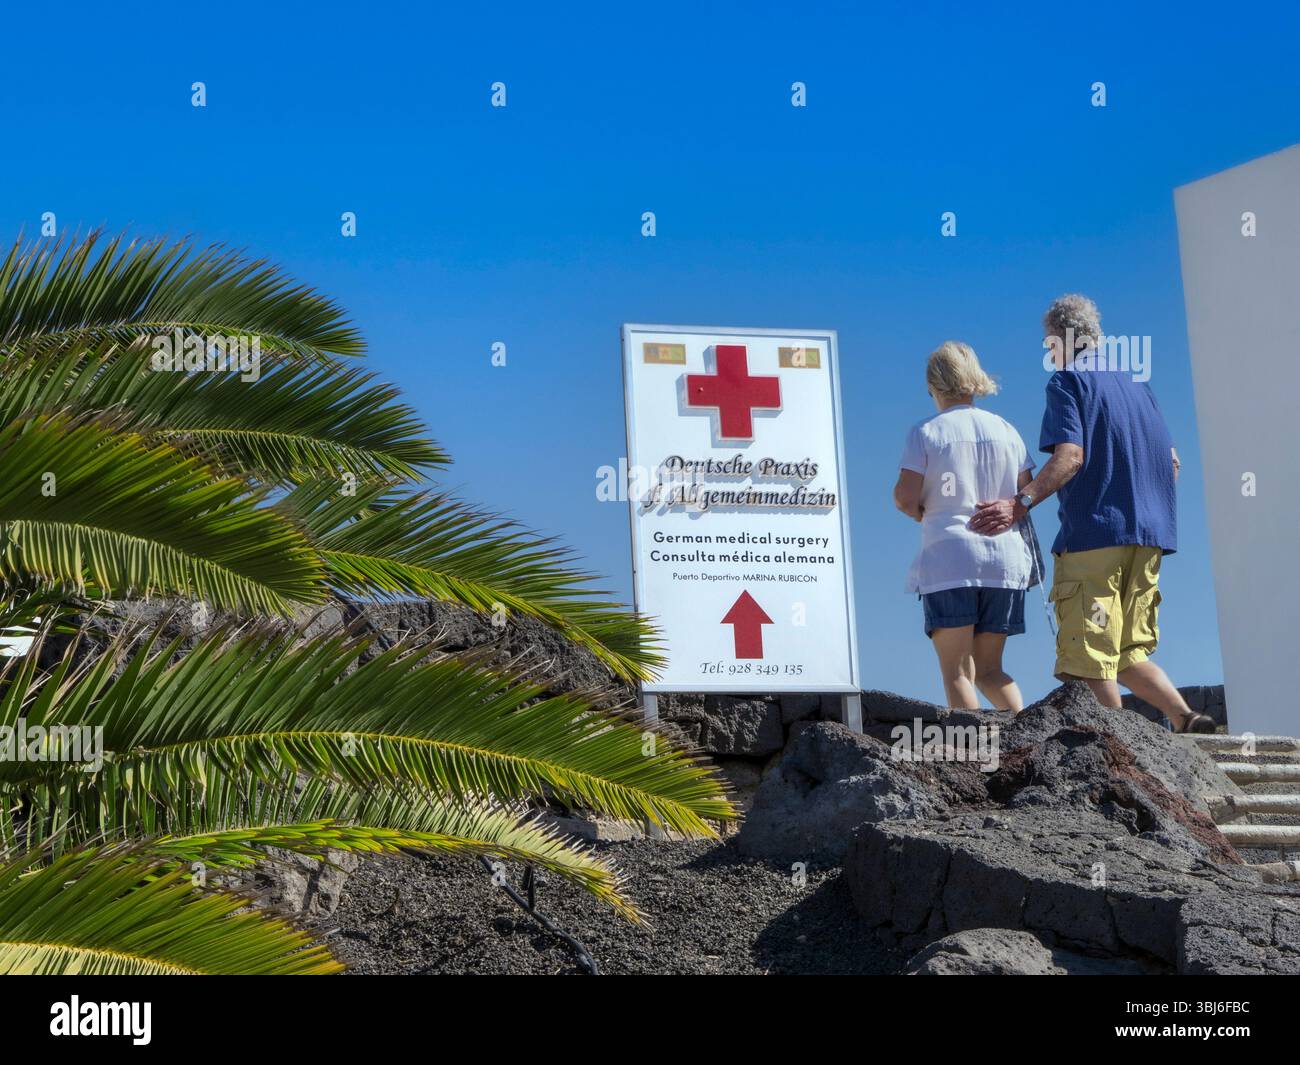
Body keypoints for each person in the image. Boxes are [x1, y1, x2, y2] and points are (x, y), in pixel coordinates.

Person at [968, 294, 1215, 733]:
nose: (1048, 353)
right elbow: (1171, 462)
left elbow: (1070, 457)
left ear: (1062, 339)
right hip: (1149, 538)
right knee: (1127, 651)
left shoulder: (1068, 382)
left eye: (1048, 343)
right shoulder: (1139, 387)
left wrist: (1018, 503)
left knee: (1091, 652)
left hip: (1095, 540)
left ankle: (1122, 746)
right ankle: (1185, 716)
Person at [893, 341, 1037, 711]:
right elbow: (1025, 492)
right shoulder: (1007, 429)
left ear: (932, 386)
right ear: (975, 381)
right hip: (1005, 560)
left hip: (950, 558)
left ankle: (975, 757)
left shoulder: (926, 432)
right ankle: (1024, 738)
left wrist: (920, 510)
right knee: (991, 670)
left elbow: (906, 496)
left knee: (957, 670)